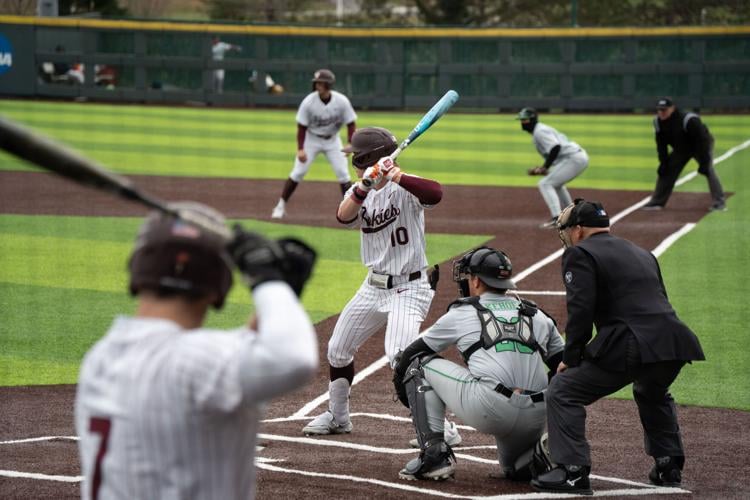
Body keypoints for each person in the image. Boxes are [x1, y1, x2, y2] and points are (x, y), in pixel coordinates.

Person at [75, 202, 318, 500]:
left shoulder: (100, 359)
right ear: (216, 285)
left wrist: (283, 290)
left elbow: (231, 356)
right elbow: (293, 359)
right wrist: (268, 280)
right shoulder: (197, 363)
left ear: (138, 268)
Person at [531, 199, 705, 495]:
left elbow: (581, 311)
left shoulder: (580, 254)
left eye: (568, 228)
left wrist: (571, 358)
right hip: (674, 341)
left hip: (632, 342)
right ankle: (668, 465)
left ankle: (572, 472)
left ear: (579, 229)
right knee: (651, 390)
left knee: (563, 390)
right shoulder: (642, 252)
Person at [302, 127, 461, 446]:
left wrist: (397, 176)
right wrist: (365, 185)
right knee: (338, 348)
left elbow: (436, 193)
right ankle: (338, 417)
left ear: (365, 157)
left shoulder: (405, 185)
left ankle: (442, 427)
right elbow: (343, 215)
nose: (352, 162)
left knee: (401, 358)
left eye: (355, 157)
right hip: (373, 285)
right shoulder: (359, 189)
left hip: (409, 286)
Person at [392, 247, 564, 481]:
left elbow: (411, 353)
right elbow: (566, 367)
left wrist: (406, 394)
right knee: (515, 469)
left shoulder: (463, 312)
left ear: (476, 280)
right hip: (536, 415)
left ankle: (434, 456)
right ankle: (538, 455)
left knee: (418, 364)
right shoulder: (537, 314)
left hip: (490, 408)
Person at [271, 69, 357, 219]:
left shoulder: (341, 101)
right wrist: (300, 149)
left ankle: (350, 211)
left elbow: (351, 123)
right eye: (316, 82)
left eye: (321, 82)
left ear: (328, 84)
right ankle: (280, 206)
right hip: (312, 140)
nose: (317, 85)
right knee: (298, 172)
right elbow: (302, 127)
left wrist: (350, 142)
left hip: (333, 141)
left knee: (343, 174)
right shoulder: (309, 102)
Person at [643, 97, 726, 212]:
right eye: (659, 110)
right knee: (666, 170)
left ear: (672, 109)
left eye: (664, 110)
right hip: (681, 148)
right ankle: (657, 201)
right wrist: (663, 162)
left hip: (700, 145)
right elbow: (661, 144)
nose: (661, 112)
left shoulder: (688, 119)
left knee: (708, 170)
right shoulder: (658, 122)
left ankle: (719, 202)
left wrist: (704, 162)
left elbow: (702, 140)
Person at [517, 108, 590, 229]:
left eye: (524, 120)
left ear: (532, 120)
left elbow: (555, 147)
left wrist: (545, 167)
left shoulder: (539, 131)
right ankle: (572, 214)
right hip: (574, 158)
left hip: (574, 158)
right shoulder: (539, 130)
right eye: (521, 120)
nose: (522, 123)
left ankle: (557, 218)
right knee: (555, 184)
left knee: (545, 184)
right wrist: (543, 169)